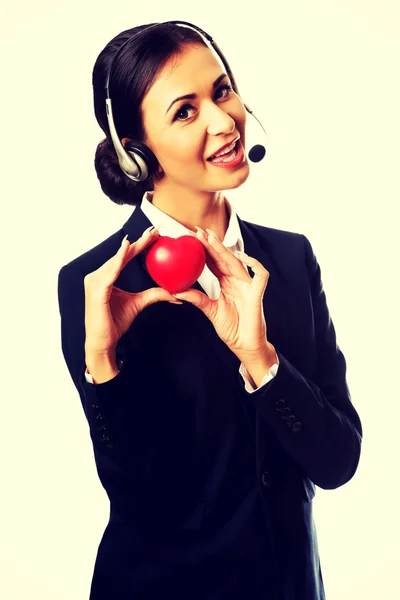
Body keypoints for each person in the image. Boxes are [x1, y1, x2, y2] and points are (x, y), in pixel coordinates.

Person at [57, 21, 363, 600]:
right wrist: (103, 361)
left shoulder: (291, 259)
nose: (224, 123)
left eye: (222, 91)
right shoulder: (96, 285)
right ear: (134, 153)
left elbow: (337, 462)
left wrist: (262, 360)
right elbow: (138, 498)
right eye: (184, 112)